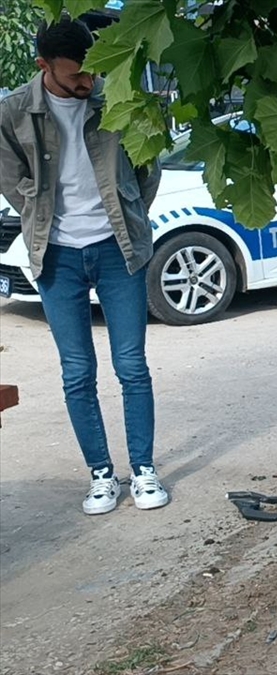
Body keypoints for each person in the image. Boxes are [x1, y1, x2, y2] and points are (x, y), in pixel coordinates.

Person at [0, 18, 167, 513]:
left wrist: (129, 213)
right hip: (57, 255)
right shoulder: (12, 112)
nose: (86, 84)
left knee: (132, 366)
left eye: (91, 73)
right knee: (77, 371)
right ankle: (100, 474)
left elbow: (146, 168)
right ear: (43, 66)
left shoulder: (116, 101)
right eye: (75, 77)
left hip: (119, 249)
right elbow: (13, 182)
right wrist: (41, 214)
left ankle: (143, 470)